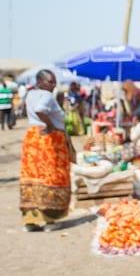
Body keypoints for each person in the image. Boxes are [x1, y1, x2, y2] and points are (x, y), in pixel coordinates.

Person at [20, 69, 74, 232]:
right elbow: (40, 109)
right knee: (52, 176)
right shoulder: (46, 95)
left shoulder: (30, 94)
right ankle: (50, 221)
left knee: (32, 177)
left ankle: (30, 221)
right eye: (50, 81)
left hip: (33, 138)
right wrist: (50, 125)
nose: (53, 84)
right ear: (40, 82)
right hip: (49, 141)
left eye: (54, 81)